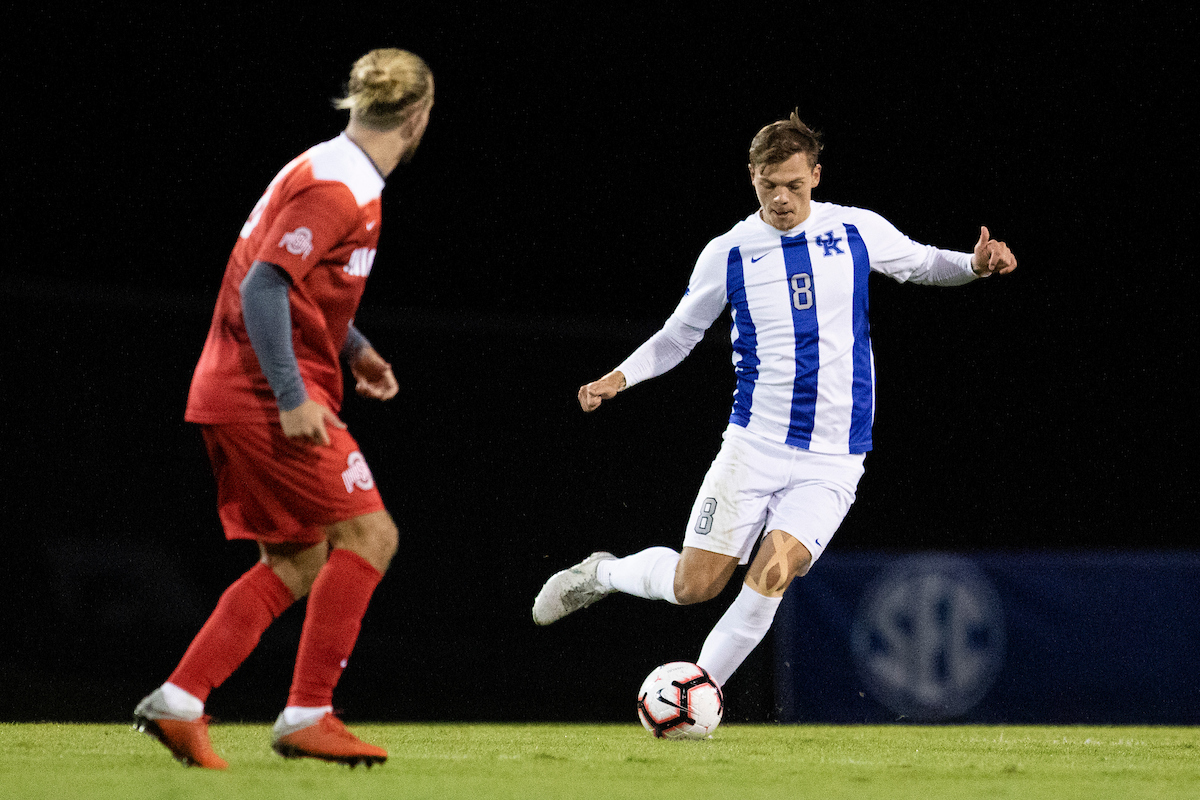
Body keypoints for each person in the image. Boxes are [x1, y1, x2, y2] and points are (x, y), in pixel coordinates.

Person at [532, 111, 1017, 697]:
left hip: (834, 457)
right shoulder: (729, 252)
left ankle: (698, 691)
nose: (782, 198)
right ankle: (603, 572)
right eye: (769, 185)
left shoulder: (856, 229)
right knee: (695, 586)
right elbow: (679, 334)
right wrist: (621, 376)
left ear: (815, 175)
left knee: (773, 572)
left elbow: (923, 265)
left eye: (793, 184)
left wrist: (974, 265)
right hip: (754, 445)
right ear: (752, 178)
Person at [134, 48, 434, 769]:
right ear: (419, 116)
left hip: (237, 389)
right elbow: (262, 288)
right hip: (263, 397)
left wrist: (352, 344)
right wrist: (294, 396)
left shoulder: (328, 167)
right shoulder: (339, 187)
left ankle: (179, 700)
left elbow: (293, 281)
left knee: (299, 559)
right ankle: (308, 714)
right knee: (372, 538)